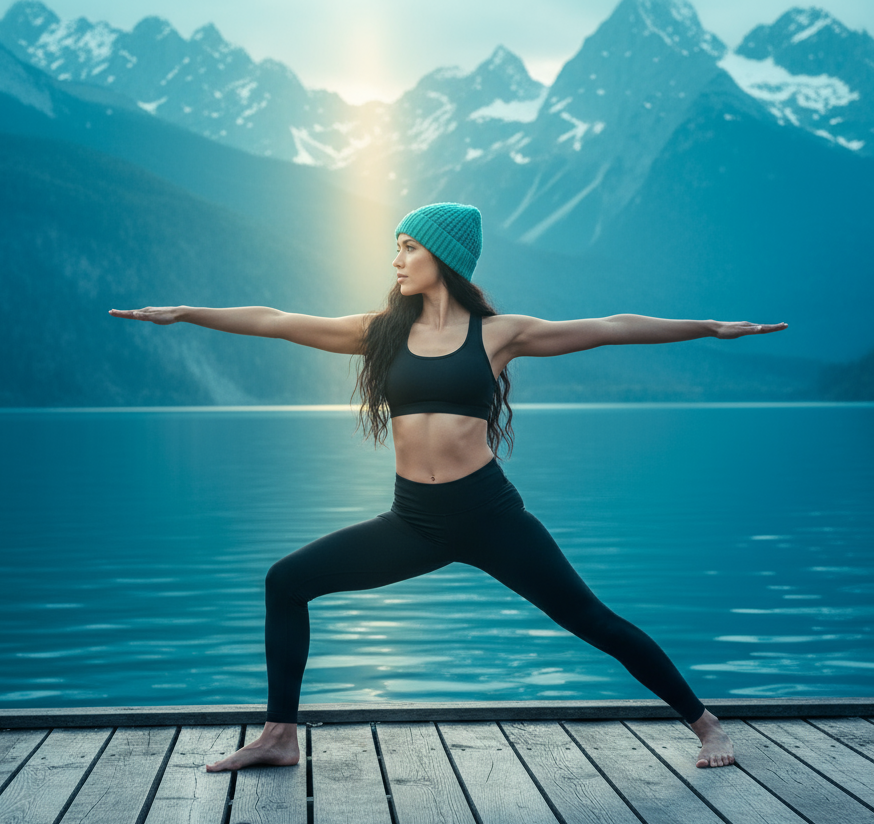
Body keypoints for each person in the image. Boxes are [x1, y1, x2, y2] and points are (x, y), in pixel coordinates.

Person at [110, 202, 786, 771]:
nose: (397, 261)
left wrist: (711, 327)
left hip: (490, 516)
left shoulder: (499, 335)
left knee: (591, 620)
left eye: (407, 248)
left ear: (443, 256)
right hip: (415, 523)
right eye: (395, 249)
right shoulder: (379, 334)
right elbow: (275, 319)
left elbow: (610, 329)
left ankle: (706, 725)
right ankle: (280, 736)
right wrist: (188, 312)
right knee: (286, 581)